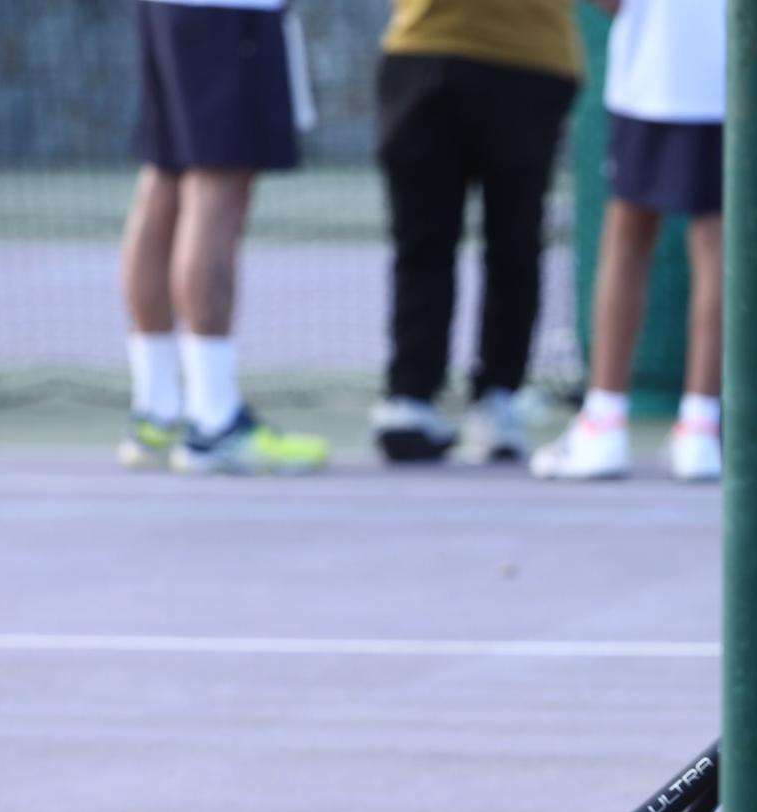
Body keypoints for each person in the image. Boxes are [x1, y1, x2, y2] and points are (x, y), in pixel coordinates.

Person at [120, 0, 328, 475]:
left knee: (165, 180)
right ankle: (214, 422)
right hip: (227, 11)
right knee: (217, 184)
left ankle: (158, 411)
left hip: (171, 11)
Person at [369, 0, 581, 464]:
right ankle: (409, 397)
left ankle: (498, 398)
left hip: (529, 61)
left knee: (515, 244)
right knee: (422, 240)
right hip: (425, 52)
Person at [531, 0, 724, 482]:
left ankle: (604, 422)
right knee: (715, 249)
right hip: (728, 79)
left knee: (627, 244)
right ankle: (701, 428)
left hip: (654, 79)